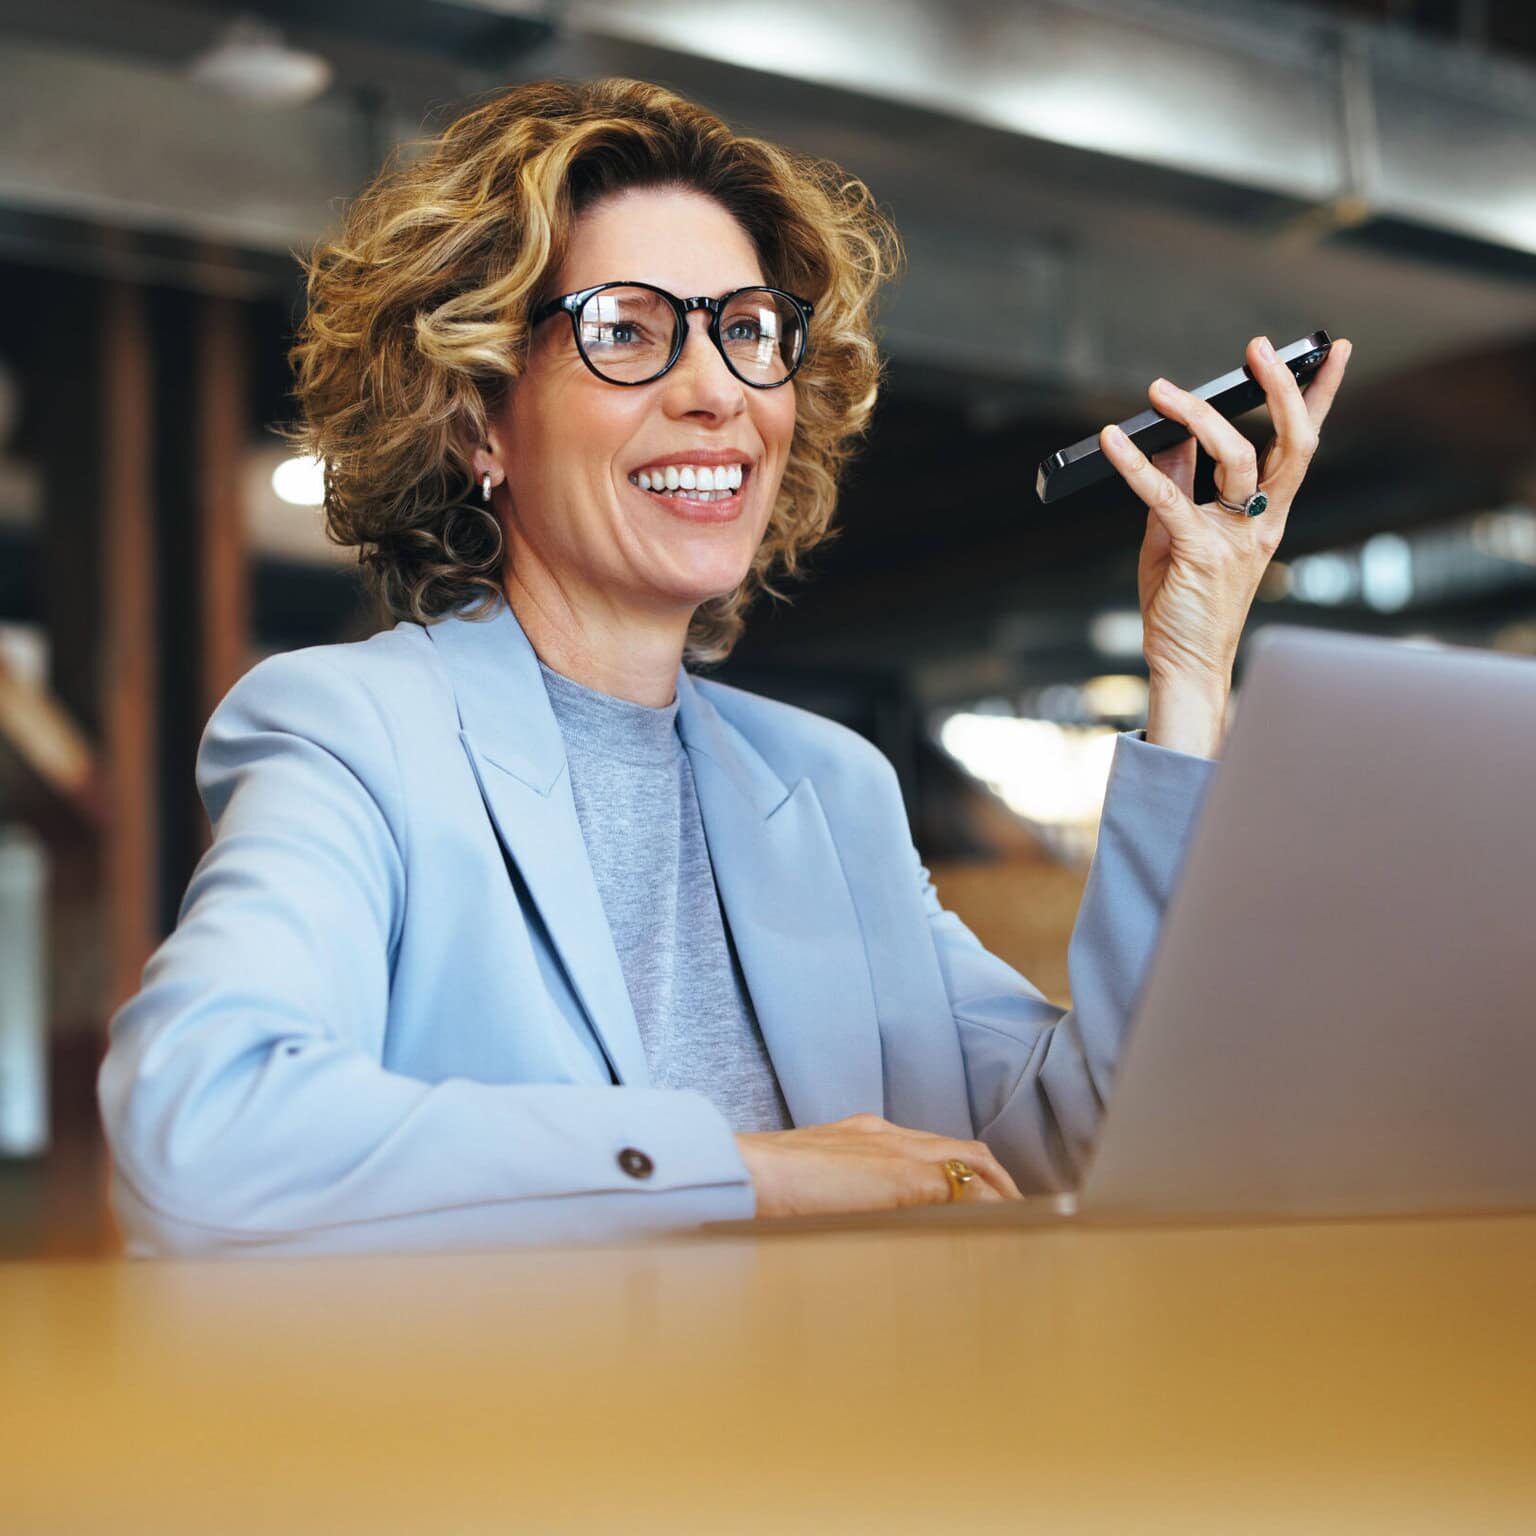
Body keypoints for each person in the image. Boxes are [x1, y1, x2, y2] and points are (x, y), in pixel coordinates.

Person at [97, 78, 1350, 1255]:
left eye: (750, 331)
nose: (716, 390)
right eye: (626, 331)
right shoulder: (351, 733)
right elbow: (198, 1136)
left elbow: (1097, 1142)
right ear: (479, 420)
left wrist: (1190, 665)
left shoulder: (829, 789)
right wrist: (753, 1169)